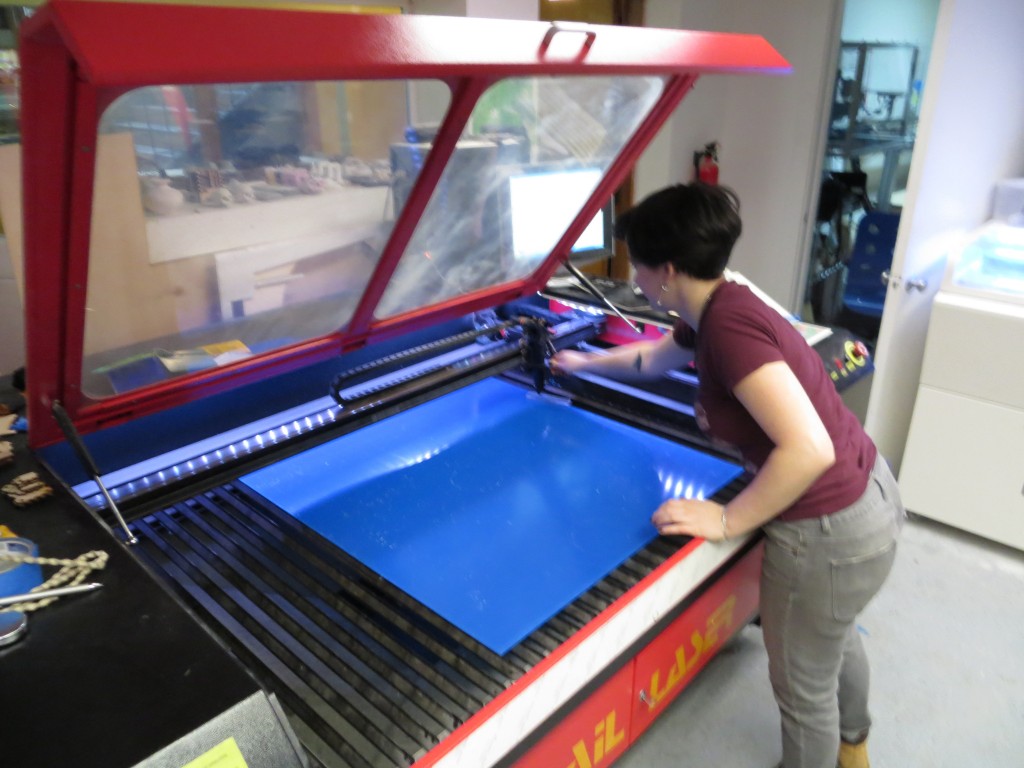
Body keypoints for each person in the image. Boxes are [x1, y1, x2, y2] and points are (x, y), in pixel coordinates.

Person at [550, 182, 905, 768]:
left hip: (829, 531)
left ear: (666, 271)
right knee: (832, 638)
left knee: (802, 687)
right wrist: (585, 362)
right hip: (870, 498)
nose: (632, 277)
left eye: (636, 265)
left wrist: (726, 517)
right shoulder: (717, 300)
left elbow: (807, 448)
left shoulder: (730, 332)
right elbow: (653, 357)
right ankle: (854, 748)